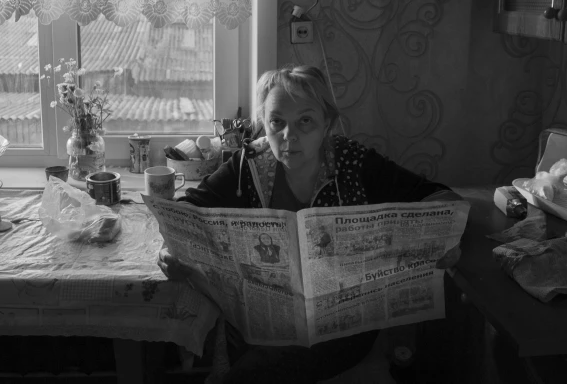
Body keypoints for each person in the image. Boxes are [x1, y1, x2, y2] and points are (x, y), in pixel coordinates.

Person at [157, 65, 462, 384]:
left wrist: (448, 237)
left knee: (251, 375)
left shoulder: (353, 163)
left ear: (326, 124)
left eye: (305, 121)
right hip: (261, 325)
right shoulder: (249, 164)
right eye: (277, 122)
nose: (289, 136)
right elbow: (187, 208)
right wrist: (172, 249)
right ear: (265, 123)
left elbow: (439, 196)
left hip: (340, 329)